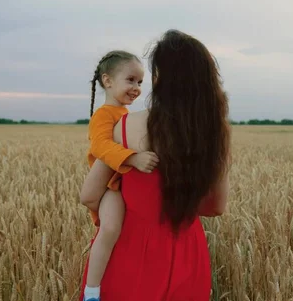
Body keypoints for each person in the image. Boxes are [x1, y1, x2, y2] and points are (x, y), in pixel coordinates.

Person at [79, 29, 231, 301]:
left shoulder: (124, 126)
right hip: (186, 255)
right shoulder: (213, 133)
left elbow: (89, 195)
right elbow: (216, 207)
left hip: (130, 253)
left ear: (159, 77)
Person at [79, 50, 160, 301]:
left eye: (140, 82)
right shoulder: (104, 115)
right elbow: (100, 147)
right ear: (108, 81)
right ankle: (92, 291)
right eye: (131, 80)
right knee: (111, 229)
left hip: (124, 183)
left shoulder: (126, 115)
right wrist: (133, 158)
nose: (136, 87)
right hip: (110, 187)